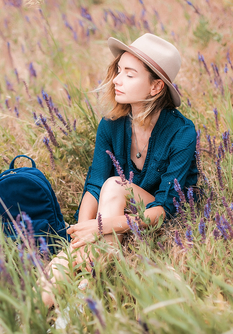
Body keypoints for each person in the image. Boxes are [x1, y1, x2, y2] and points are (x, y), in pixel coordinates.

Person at [38, 33, 199, 308]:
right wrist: (79, 235)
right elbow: (94, 184)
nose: (116, 80)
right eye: (118, 70)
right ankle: (80, 297)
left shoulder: (182, 133)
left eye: (129, 74)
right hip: (116, 212)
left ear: (156, 87)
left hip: (159, 216)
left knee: (115, 186)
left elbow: (165, 208)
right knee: (88, 234)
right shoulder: (111, 125)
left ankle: (59, 304)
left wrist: (99, 227)